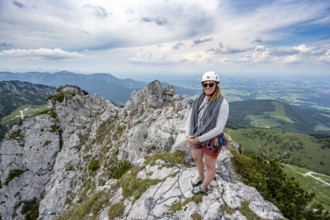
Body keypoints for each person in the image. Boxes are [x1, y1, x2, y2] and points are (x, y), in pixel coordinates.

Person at [186, 71, 229, 194]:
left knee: (209, 165)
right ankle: (200, 176)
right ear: (202, 86)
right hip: (197, 134)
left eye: (211, 84)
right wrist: (189, 134)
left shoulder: (222, 103)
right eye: (205, 84)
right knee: (196, 157)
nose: (208, 87)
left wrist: (198, 139)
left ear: (216, 85)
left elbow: (219, 128)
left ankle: (203, 187)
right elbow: (191, 116)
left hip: (212, 139)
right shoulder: (200, 100)